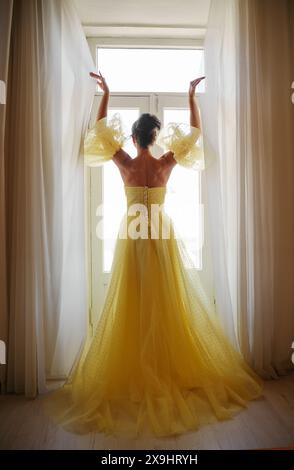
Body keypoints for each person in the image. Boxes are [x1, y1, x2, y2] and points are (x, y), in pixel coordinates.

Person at [44, 72, 263, 438]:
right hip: (161, 236)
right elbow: (194, 135)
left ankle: (140, 369)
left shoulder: (126, 164)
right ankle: (162, 367)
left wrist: (107, 94)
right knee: (167, 301)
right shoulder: (164, 165)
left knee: (132, 300)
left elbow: (100, 131)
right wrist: (192, 96)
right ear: (156, 138)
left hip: (132, 238)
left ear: (133, 138)